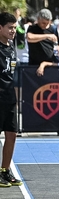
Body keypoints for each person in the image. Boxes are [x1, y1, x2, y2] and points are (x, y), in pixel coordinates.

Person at [0, 12, 22, 186]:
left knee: (12, 134)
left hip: (9, 98)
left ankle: (5, 171)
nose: (13, 30)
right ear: (0, 28)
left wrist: (17, 98)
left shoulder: (11, 46)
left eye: (14, 27)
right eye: (9, 27)